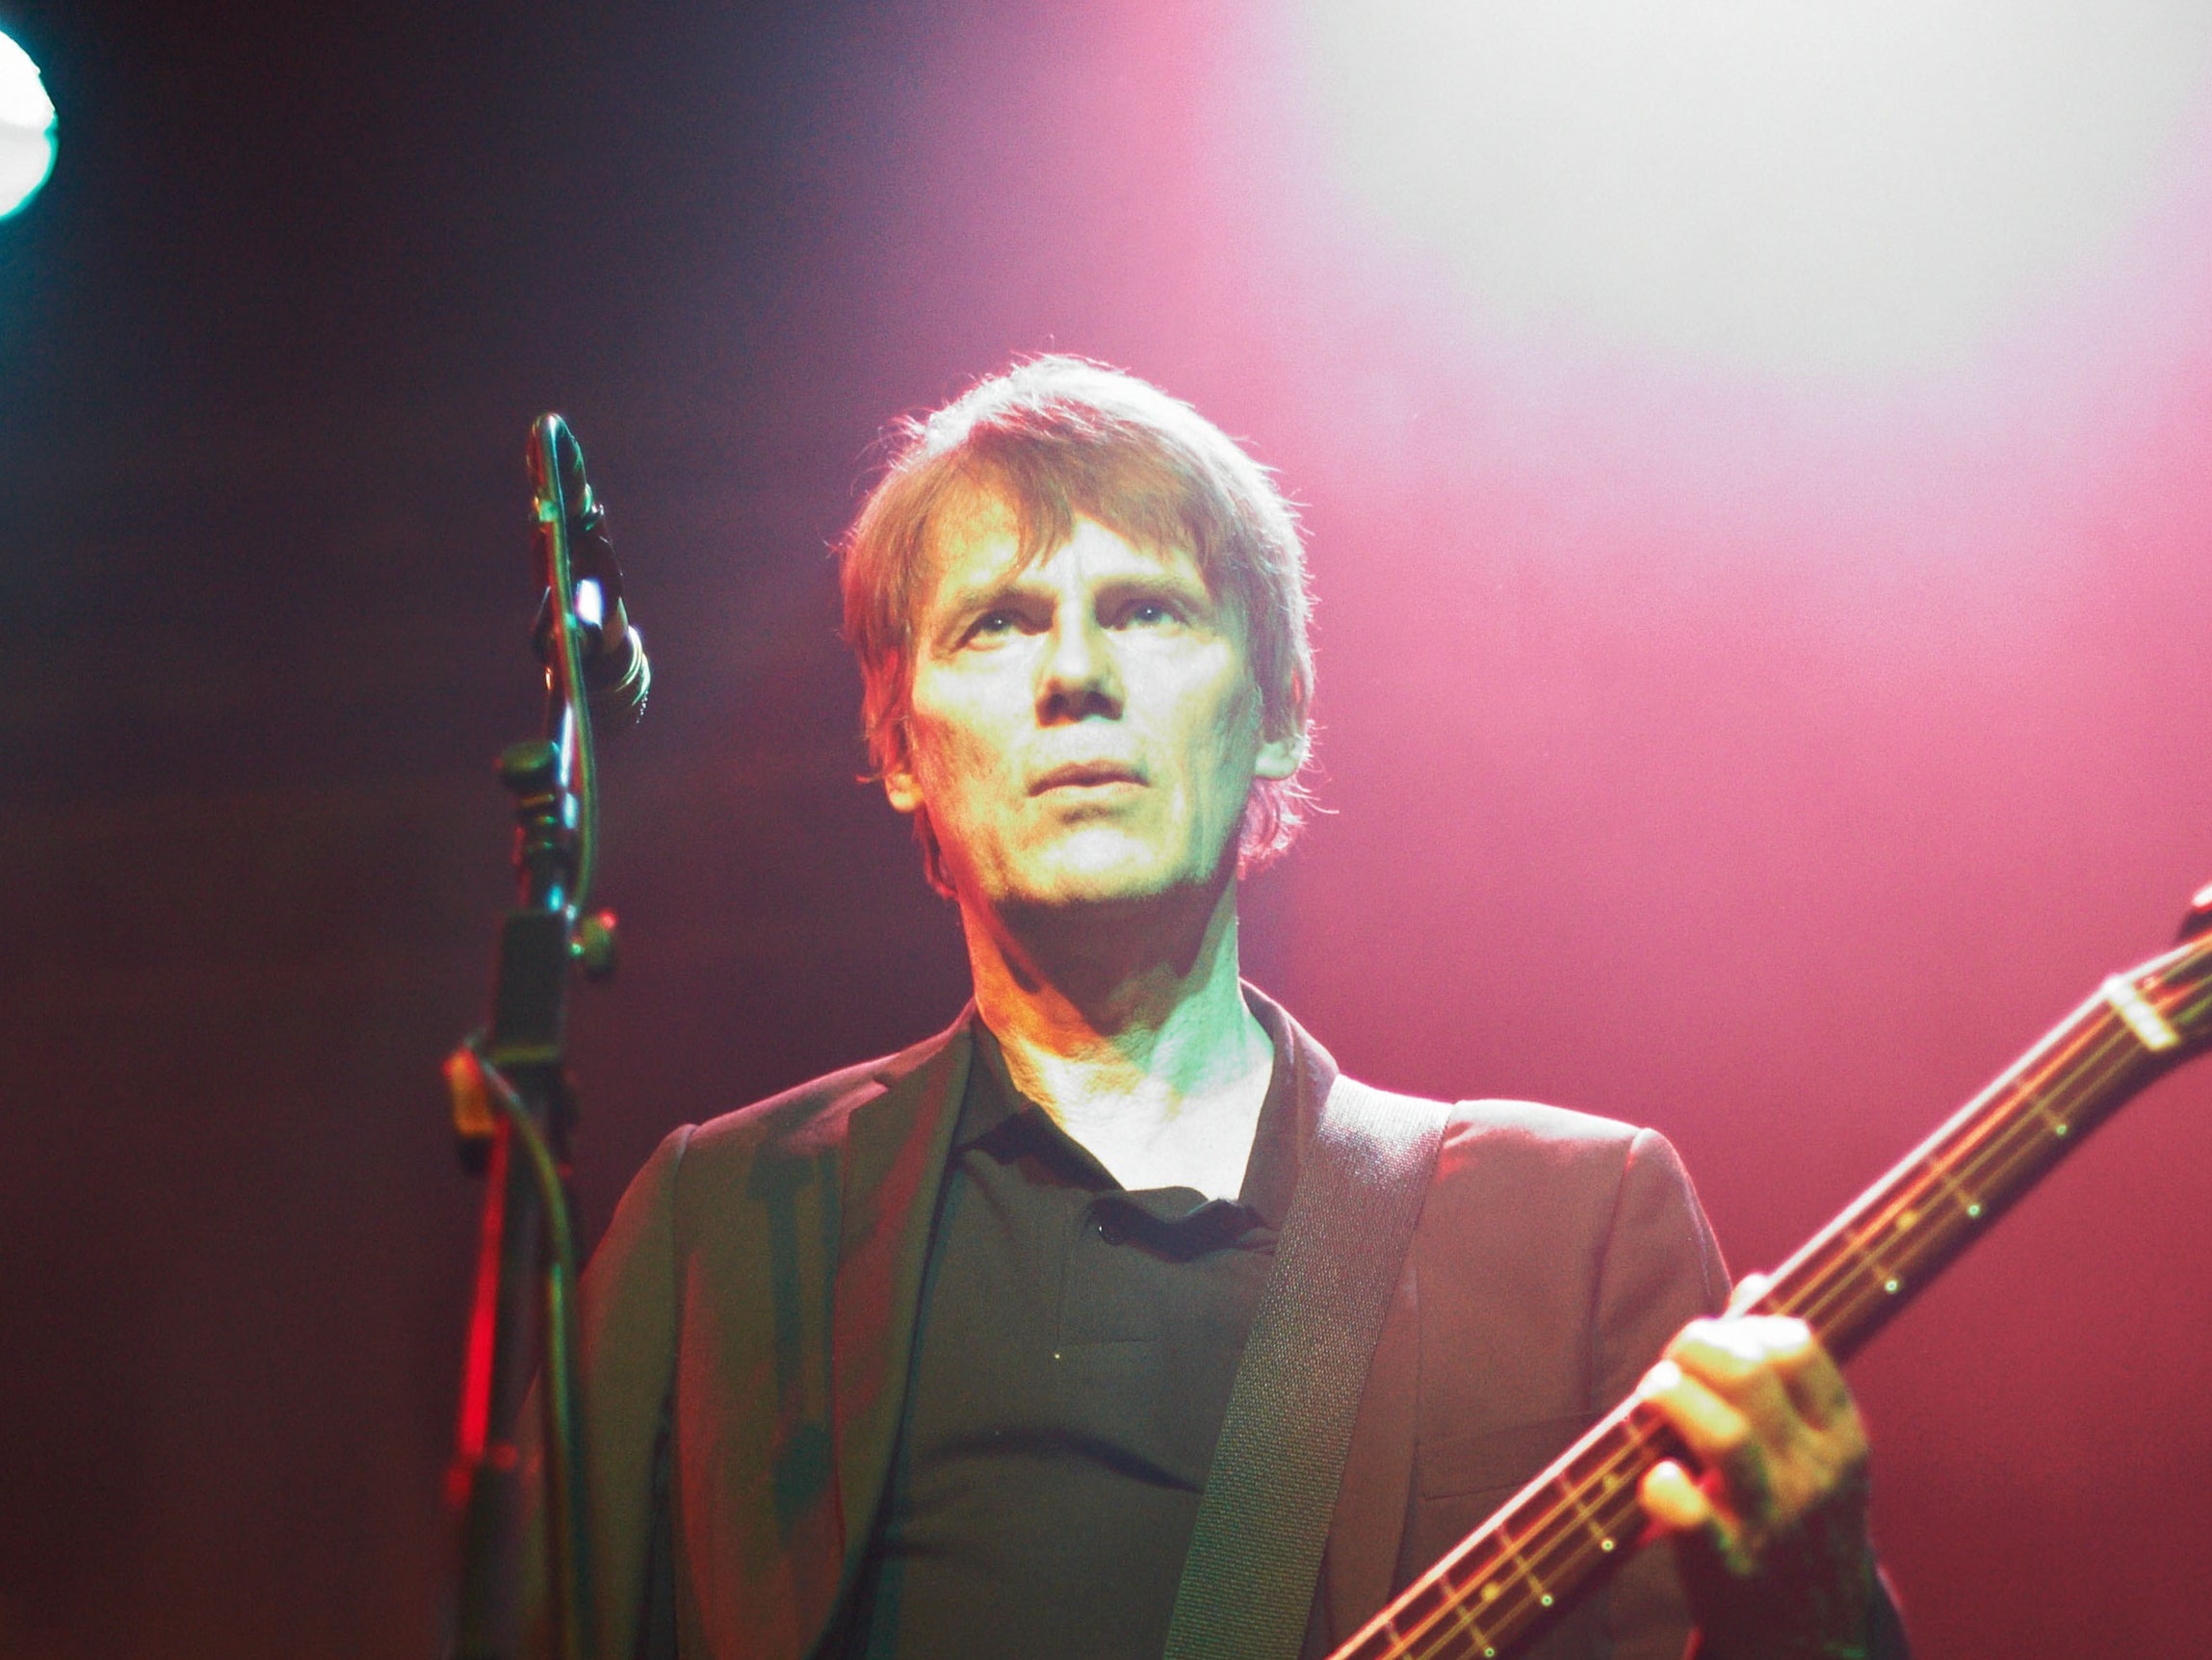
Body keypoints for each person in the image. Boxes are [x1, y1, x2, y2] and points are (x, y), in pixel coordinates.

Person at [527, 356, 1902, 1660]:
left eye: (1146, 611)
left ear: (1281, 710)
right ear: (898, 746)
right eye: (999, 623)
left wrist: (1818, 1607)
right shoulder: (725, 1228)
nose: (1074, 675)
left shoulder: (1570, 1230)